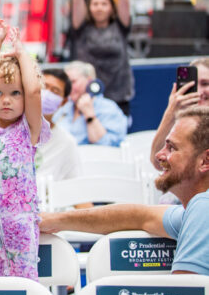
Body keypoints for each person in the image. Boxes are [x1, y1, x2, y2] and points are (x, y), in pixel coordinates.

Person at [41, 106, 209, 275]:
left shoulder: (203, 207)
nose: (159, 155)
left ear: (205, 161)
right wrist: (54, 220)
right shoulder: (195, 212)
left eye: (172, 148)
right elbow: (138, 216)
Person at [0, 17, 50, 280]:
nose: (6, 100)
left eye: (15, 93)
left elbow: (34, 90)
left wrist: (21, 52)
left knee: (25, 290)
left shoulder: (28, 127)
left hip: (19, 227)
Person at [70, 0, 134, 115]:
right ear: (89, 8)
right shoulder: (82, 28)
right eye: (95, 3)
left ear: (111, 8)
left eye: (104, 3)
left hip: (119, 96)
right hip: (87, 98)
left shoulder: (120, 27)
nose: (99, 7)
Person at [150, 57, 209, 170]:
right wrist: (171, 112)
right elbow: (159, 163)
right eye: (194, 85)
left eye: (205, 83)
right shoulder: (182, 126)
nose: (199, 91)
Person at [53, 60, 127, 146]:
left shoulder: (108, 108)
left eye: (73, 82)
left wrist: (89, 115)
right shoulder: (63, 107)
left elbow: (107, 146)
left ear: (89, 81)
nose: (68, 87)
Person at [36, 69, 82, 182]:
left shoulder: (65, 142)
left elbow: (76, 185)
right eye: (43, 87)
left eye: (55, 91)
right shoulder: (9, 130)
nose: (46, 93)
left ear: (64, 102)